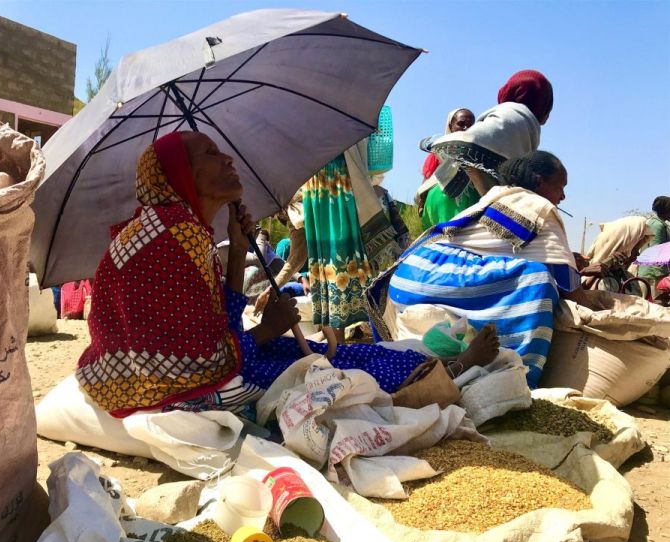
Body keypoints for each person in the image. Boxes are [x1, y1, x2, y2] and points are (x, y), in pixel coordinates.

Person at [76, 131, 500, 418]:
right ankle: (449, 375)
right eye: (208, 154)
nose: (225, 157)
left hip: (144, 376)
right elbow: (196, 361)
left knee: (319, 353)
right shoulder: (177, 235)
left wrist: (239, 248)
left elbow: (209, 326)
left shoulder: (171, 226)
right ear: (181, 176)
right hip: (173, 392)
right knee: (335, 373)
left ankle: (440, 369)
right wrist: (267, 331)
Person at [368, 150, 592, 388]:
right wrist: (596, 308)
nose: (564, 196)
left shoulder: (497, 196)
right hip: (440, 274)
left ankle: (458, 364)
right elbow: (570, 288)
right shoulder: (539, 207)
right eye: (560, 187)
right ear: (539, 182)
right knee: (538, 280)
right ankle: (518, 376)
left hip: (409, 275)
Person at [419, 70, 553, 230]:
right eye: (547, 105)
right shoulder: (515, 118)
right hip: (457, 199)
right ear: (540, 102)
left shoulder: (515, 120)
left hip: (447, 197)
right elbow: (469, 151)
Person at [303, 141, 400, 343]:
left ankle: (343, 342)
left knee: (334, 254)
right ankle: (346, 342)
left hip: (324, 178)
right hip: (334, 179)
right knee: (337, 253)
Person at [583, 216, 652, 294]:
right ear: (621, 247)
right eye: (634, 248)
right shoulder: (595, 280)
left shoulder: (629, 278)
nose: (638, 254)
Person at [637, 196, 670, 297]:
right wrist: (662, 274)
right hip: (654, 274)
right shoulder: (658, 225)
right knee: (658, 305)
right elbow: (656, 250)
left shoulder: (655, 223)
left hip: (648, 271)